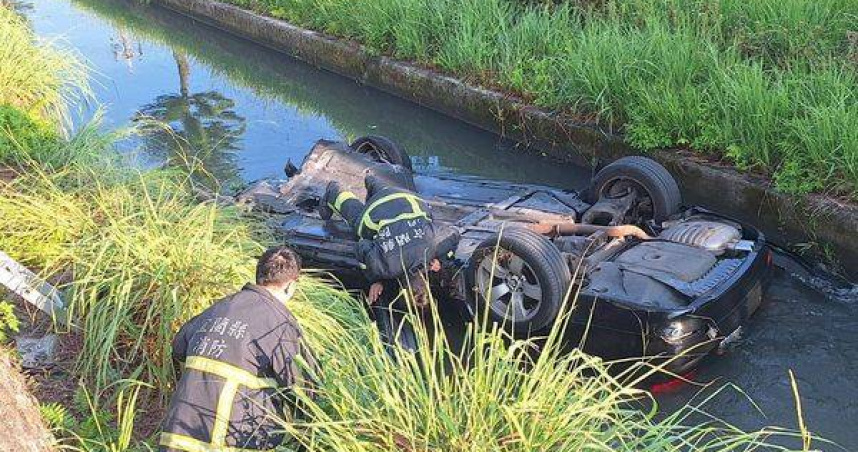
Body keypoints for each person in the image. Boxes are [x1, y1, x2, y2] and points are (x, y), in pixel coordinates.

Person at [159, 246, 317, 452]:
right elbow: (307, 388)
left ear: (259, 275)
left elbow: (179, 348)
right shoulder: (280, 323)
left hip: (177, 437)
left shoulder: (218, 308)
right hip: (228, 442)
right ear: (290, 286)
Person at [318, 173, 457, 307]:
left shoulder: (434, 246)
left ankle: (374, 182)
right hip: (378, 209)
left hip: (409, 199)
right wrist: (375, 278)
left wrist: (441, 259)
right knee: (358, 222)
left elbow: (454, 233)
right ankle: (334, 192)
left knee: (389, 199)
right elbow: (362, 246)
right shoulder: (385, 267)